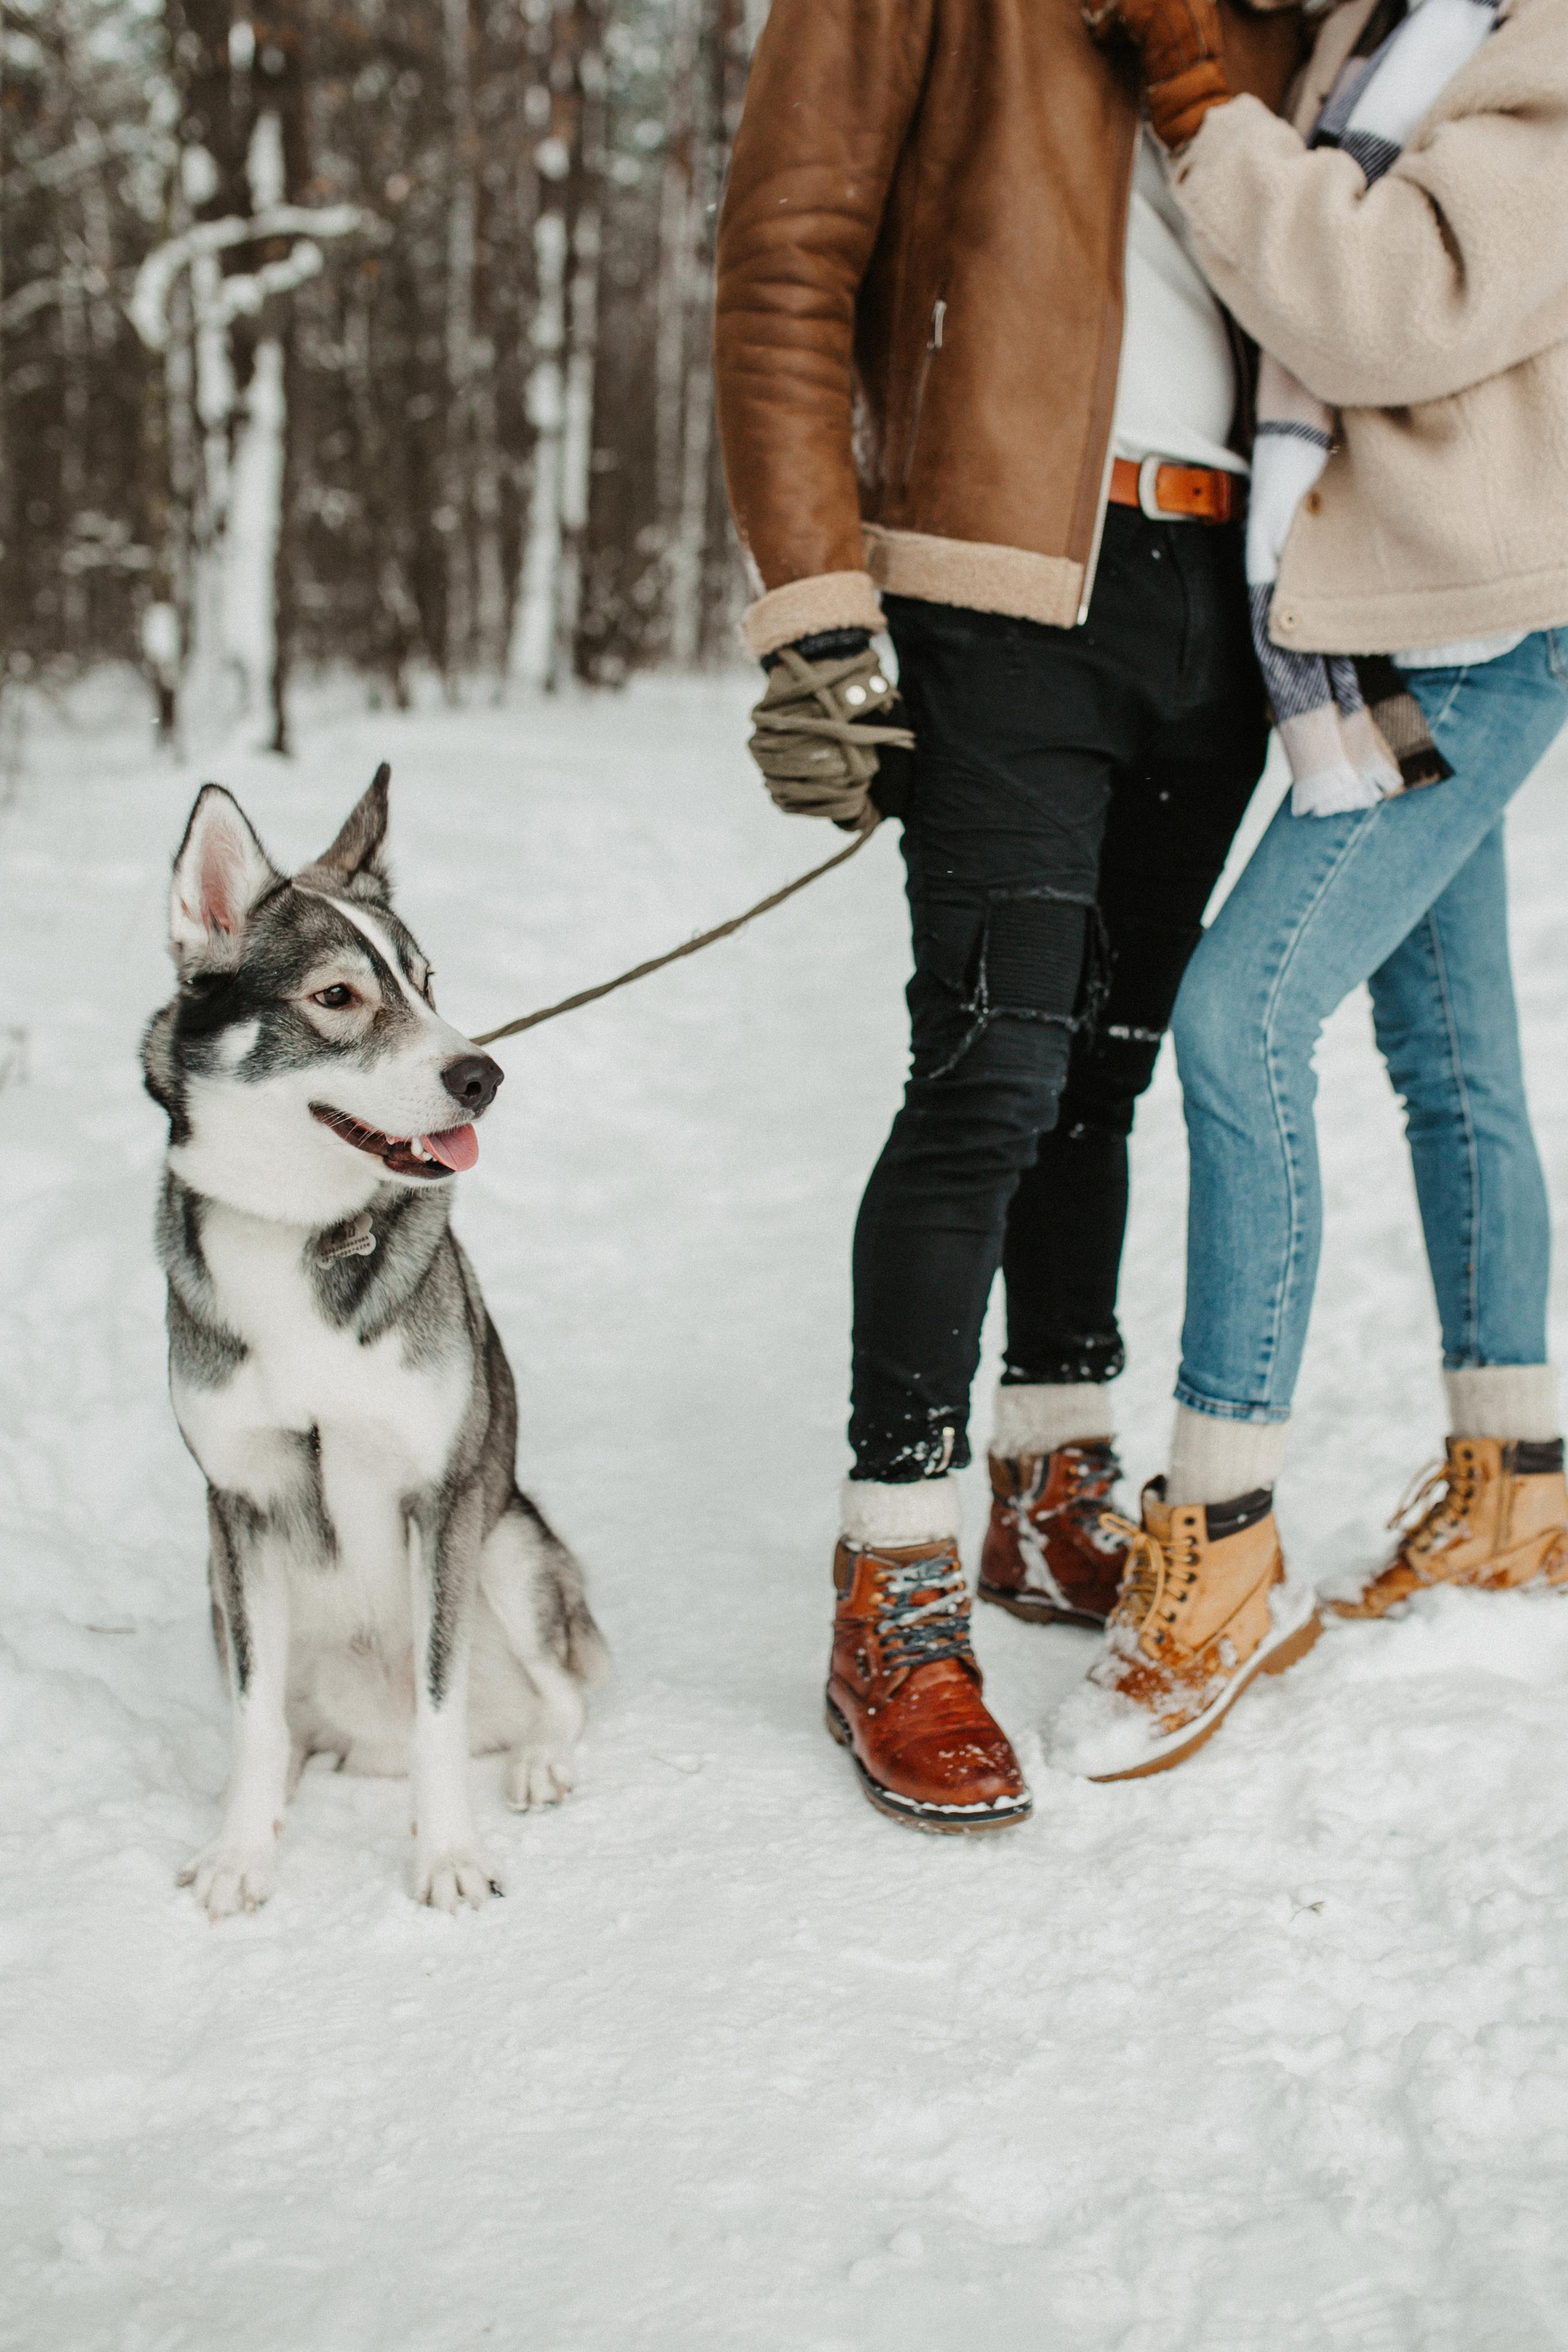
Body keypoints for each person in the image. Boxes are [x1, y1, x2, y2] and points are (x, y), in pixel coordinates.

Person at [713, 0, 1305, 1829]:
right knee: (990, 1066)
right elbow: (786, 262)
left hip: (1226, 592)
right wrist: (816, 599)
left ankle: (1053, 1489)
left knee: (1106, 1074)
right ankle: (892, 1580)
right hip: (998, 579)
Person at [1052, 0, 1568, 1785]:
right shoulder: (1375, 29)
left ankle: (1227, 1533)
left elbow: (1385, 306)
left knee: (1238, 1014)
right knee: (1451, 1045)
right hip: (1397, 617)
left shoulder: (1544, 54)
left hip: (1480, 636)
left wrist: (1200, 106)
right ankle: (1515, 1482)